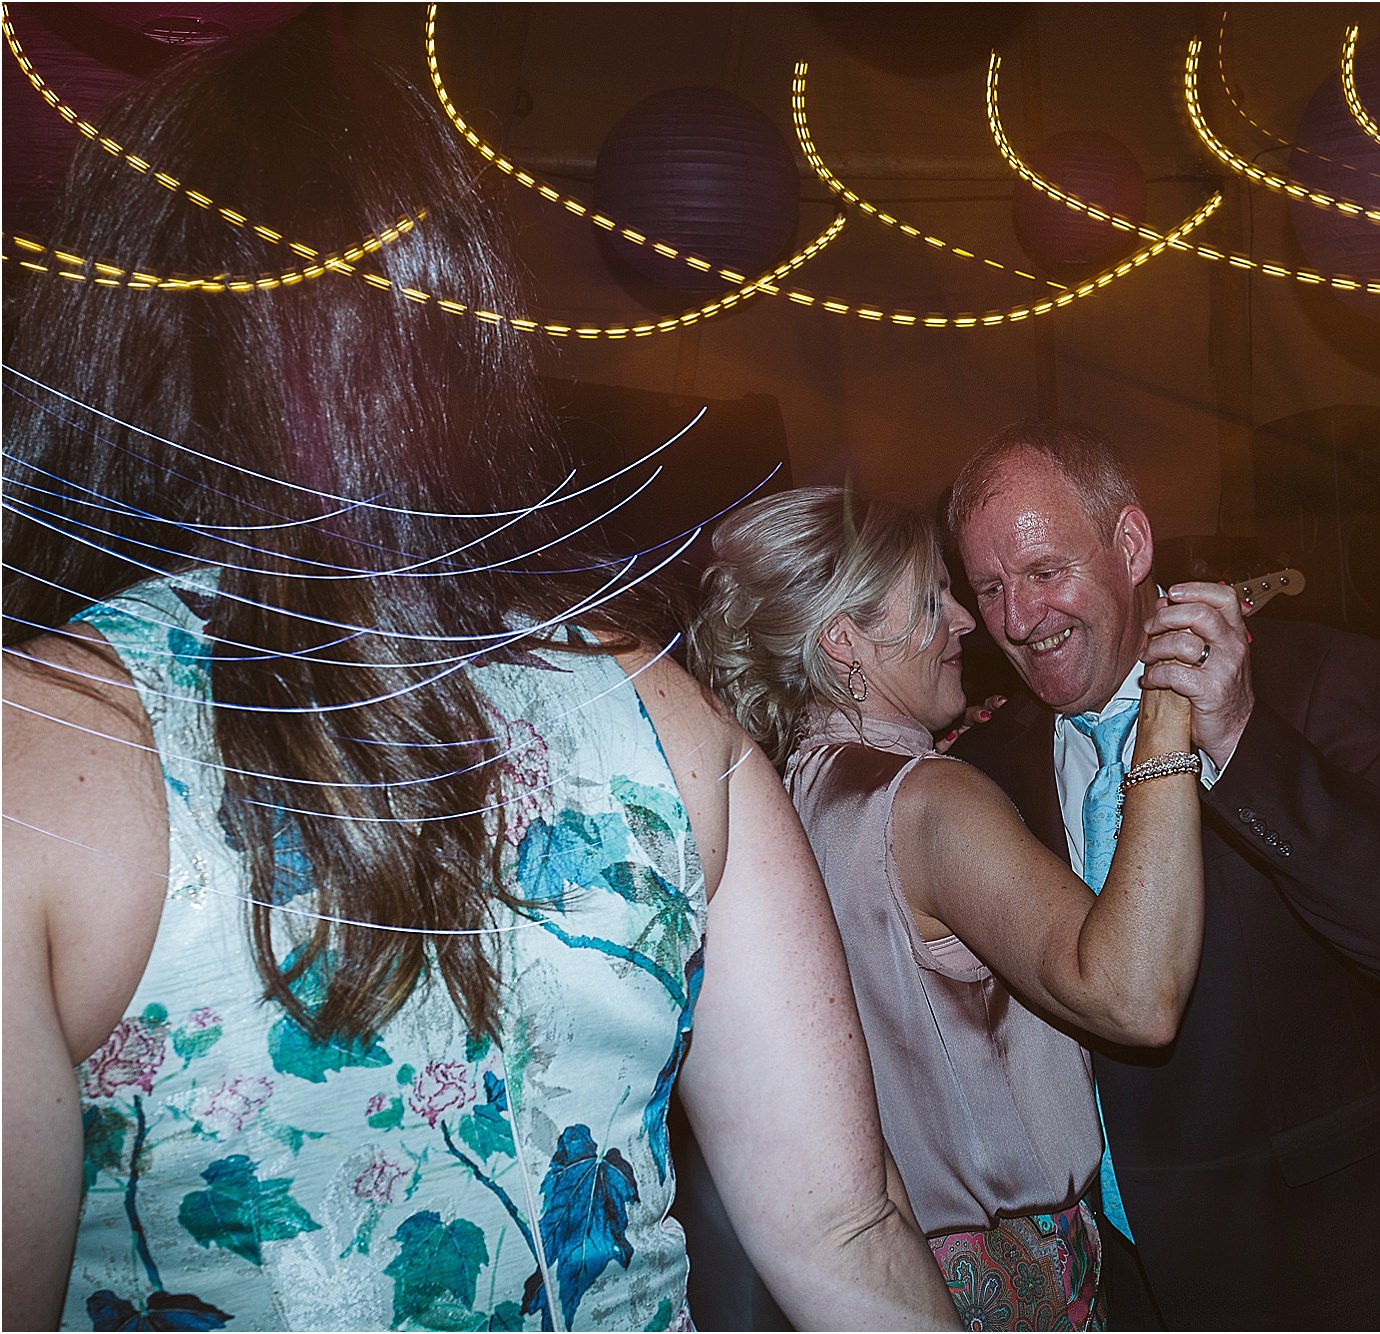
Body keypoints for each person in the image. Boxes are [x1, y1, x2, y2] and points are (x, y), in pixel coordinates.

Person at [0, 27, 956, 1331]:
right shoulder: (665, 720)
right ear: (453, 334)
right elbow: (845, 1226)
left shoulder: (41, 751)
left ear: (126, 324)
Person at [946, 418, 1380, 1329]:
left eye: (1045, 573)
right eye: (990, 587)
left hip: (1328, 1270)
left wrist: (1244, 740)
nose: (1017, 620)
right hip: (1115, 1288)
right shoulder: (987, 764)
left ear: (1130, 545)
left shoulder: (1310, 676)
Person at [686, 485, 1205, 1329]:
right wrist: (1168, 706)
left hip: (890, 1273)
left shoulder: (780, 801)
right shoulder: (927, 803)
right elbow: (1136, 994)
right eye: (932, 600)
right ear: (843, 642)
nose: (967, 621)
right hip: (1014, 1275)